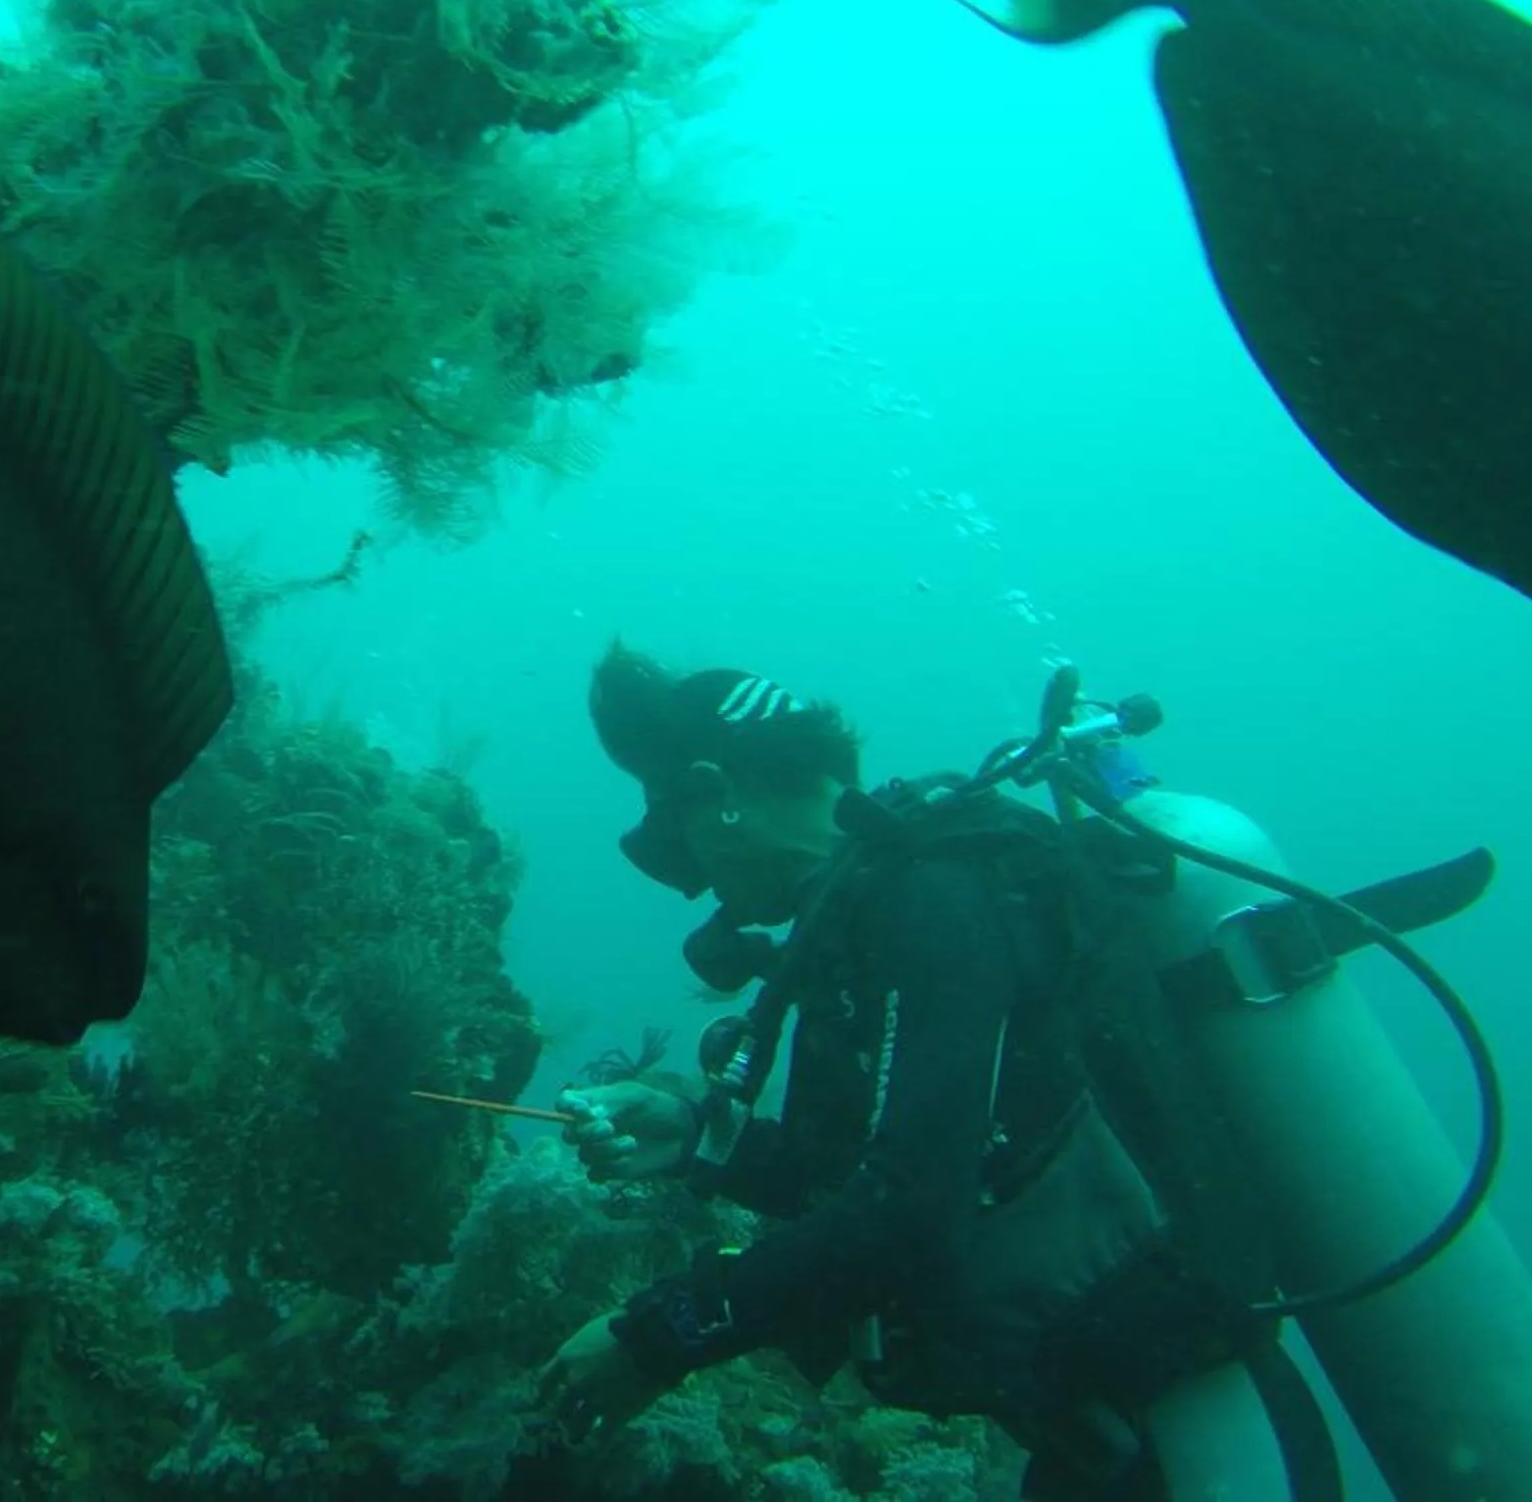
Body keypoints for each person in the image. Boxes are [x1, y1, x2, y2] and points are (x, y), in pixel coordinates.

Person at [531, 643, 1338, 1501]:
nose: (696, 887)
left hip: (1198, 1428)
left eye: (675, 837)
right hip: (1093, 1426)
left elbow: (909, 1210)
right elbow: (849, 1177)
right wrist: (696, 1136)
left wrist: (659, 1336)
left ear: (716, 791)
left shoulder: (934, 897)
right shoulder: (863, 923)